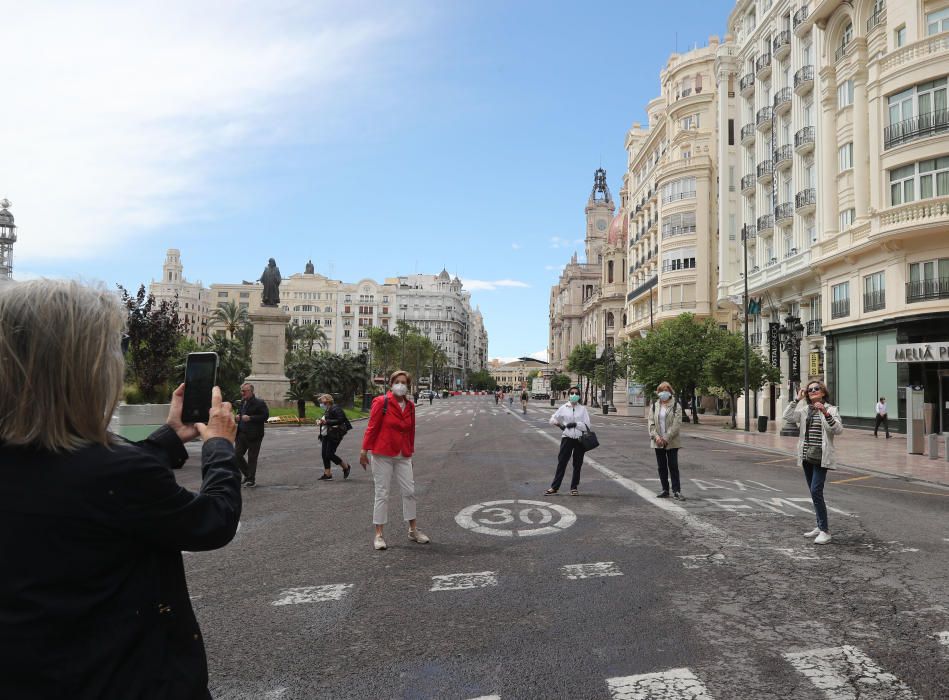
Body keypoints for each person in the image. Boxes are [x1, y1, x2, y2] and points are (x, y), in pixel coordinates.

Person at [0, 279, 241, 699]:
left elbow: (96, 484)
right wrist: (219, 447)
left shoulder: (84, 468)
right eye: (119, 347)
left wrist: (168, 436)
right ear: (85, 368)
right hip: (125, 677)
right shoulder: (115, 473)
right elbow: (212, 521)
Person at [359, 370, 430, 550]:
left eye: (404, 382)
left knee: (410, 491)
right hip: (382, 454)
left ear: (408, 385)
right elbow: (372, 427)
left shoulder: (411, 406)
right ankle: (379, 535)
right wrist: (363, 451)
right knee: (382, 493)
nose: (401, 385)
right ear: (391, 384)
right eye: (397, 382)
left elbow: (411, 431)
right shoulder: (381, 402)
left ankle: (413, 530)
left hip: (403, 455)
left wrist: (410, 453)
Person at [782, 380, 844, 545]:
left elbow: (837, 430)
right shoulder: (804, 410)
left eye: (817, 389)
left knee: (816, 491)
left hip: (821, 457)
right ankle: (819, 525)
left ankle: (825, 531)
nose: (813, 391)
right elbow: (787, 416)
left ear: (823, 392)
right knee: (813, 492)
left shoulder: (831, 409)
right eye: (810, 390)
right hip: (806, 456)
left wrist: (825, 412)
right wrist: (796, 400)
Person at [545, 385, 592, 496]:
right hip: (567, 438)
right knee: (562, 462)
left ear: (579, 396)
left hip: (579, 440)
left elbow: (587, 425)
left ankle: (574, 487)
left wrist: (576, 424)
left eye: (576, 393)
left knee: (577, 464)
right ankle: (554, 487)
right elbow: (552, 419)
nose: (574, 395)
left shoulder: (583, 409)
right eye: (572, 393)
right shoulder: (564, 407)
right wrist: (559, 425)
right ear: (569, 395)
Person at [647, 381, 684, 500]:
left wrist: (666, 437)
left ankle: (676, 490)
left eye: (666, 390)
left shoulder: (676, 405)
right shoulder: (654, 405)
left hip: (671, 441)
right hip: (657, 441)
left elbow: (676, 424)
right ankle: (665, 489)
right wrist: (657, 437)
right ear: (658, 393)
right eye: (661, 391)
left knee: (673, 465)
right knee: (661, 466)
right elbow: (650, 423)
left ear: (670, 392)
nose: (664, 393)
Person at [235, 382, 269, 487]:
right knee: (236, 455)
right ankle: (247, 474)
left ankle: (251, 480)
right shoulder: (242, 402)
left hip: (255, 435)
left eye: (244, 391)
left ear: (251, 391)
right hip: (241, 433)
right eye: (241, 391)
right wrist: (238, 416)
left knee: (252, 458)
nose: (242, 393)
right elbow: (241, 413)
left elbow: (265, 416)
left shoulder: (259, 403)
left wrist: (251, 418)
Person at [316, 393, 352, 480]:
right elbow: (327, 420)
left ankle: (346, 467)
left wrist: (326, 422)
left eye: (322, 401)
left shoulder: (336, 408)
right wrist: (321, 422)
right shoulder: (328, 409)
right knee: (324, 454)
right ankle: (327, 474)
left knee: (329, 454)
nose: (321, 403)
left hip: (335, 434)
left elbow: (341, 419)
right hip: (326, 434)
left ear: (327, 401)